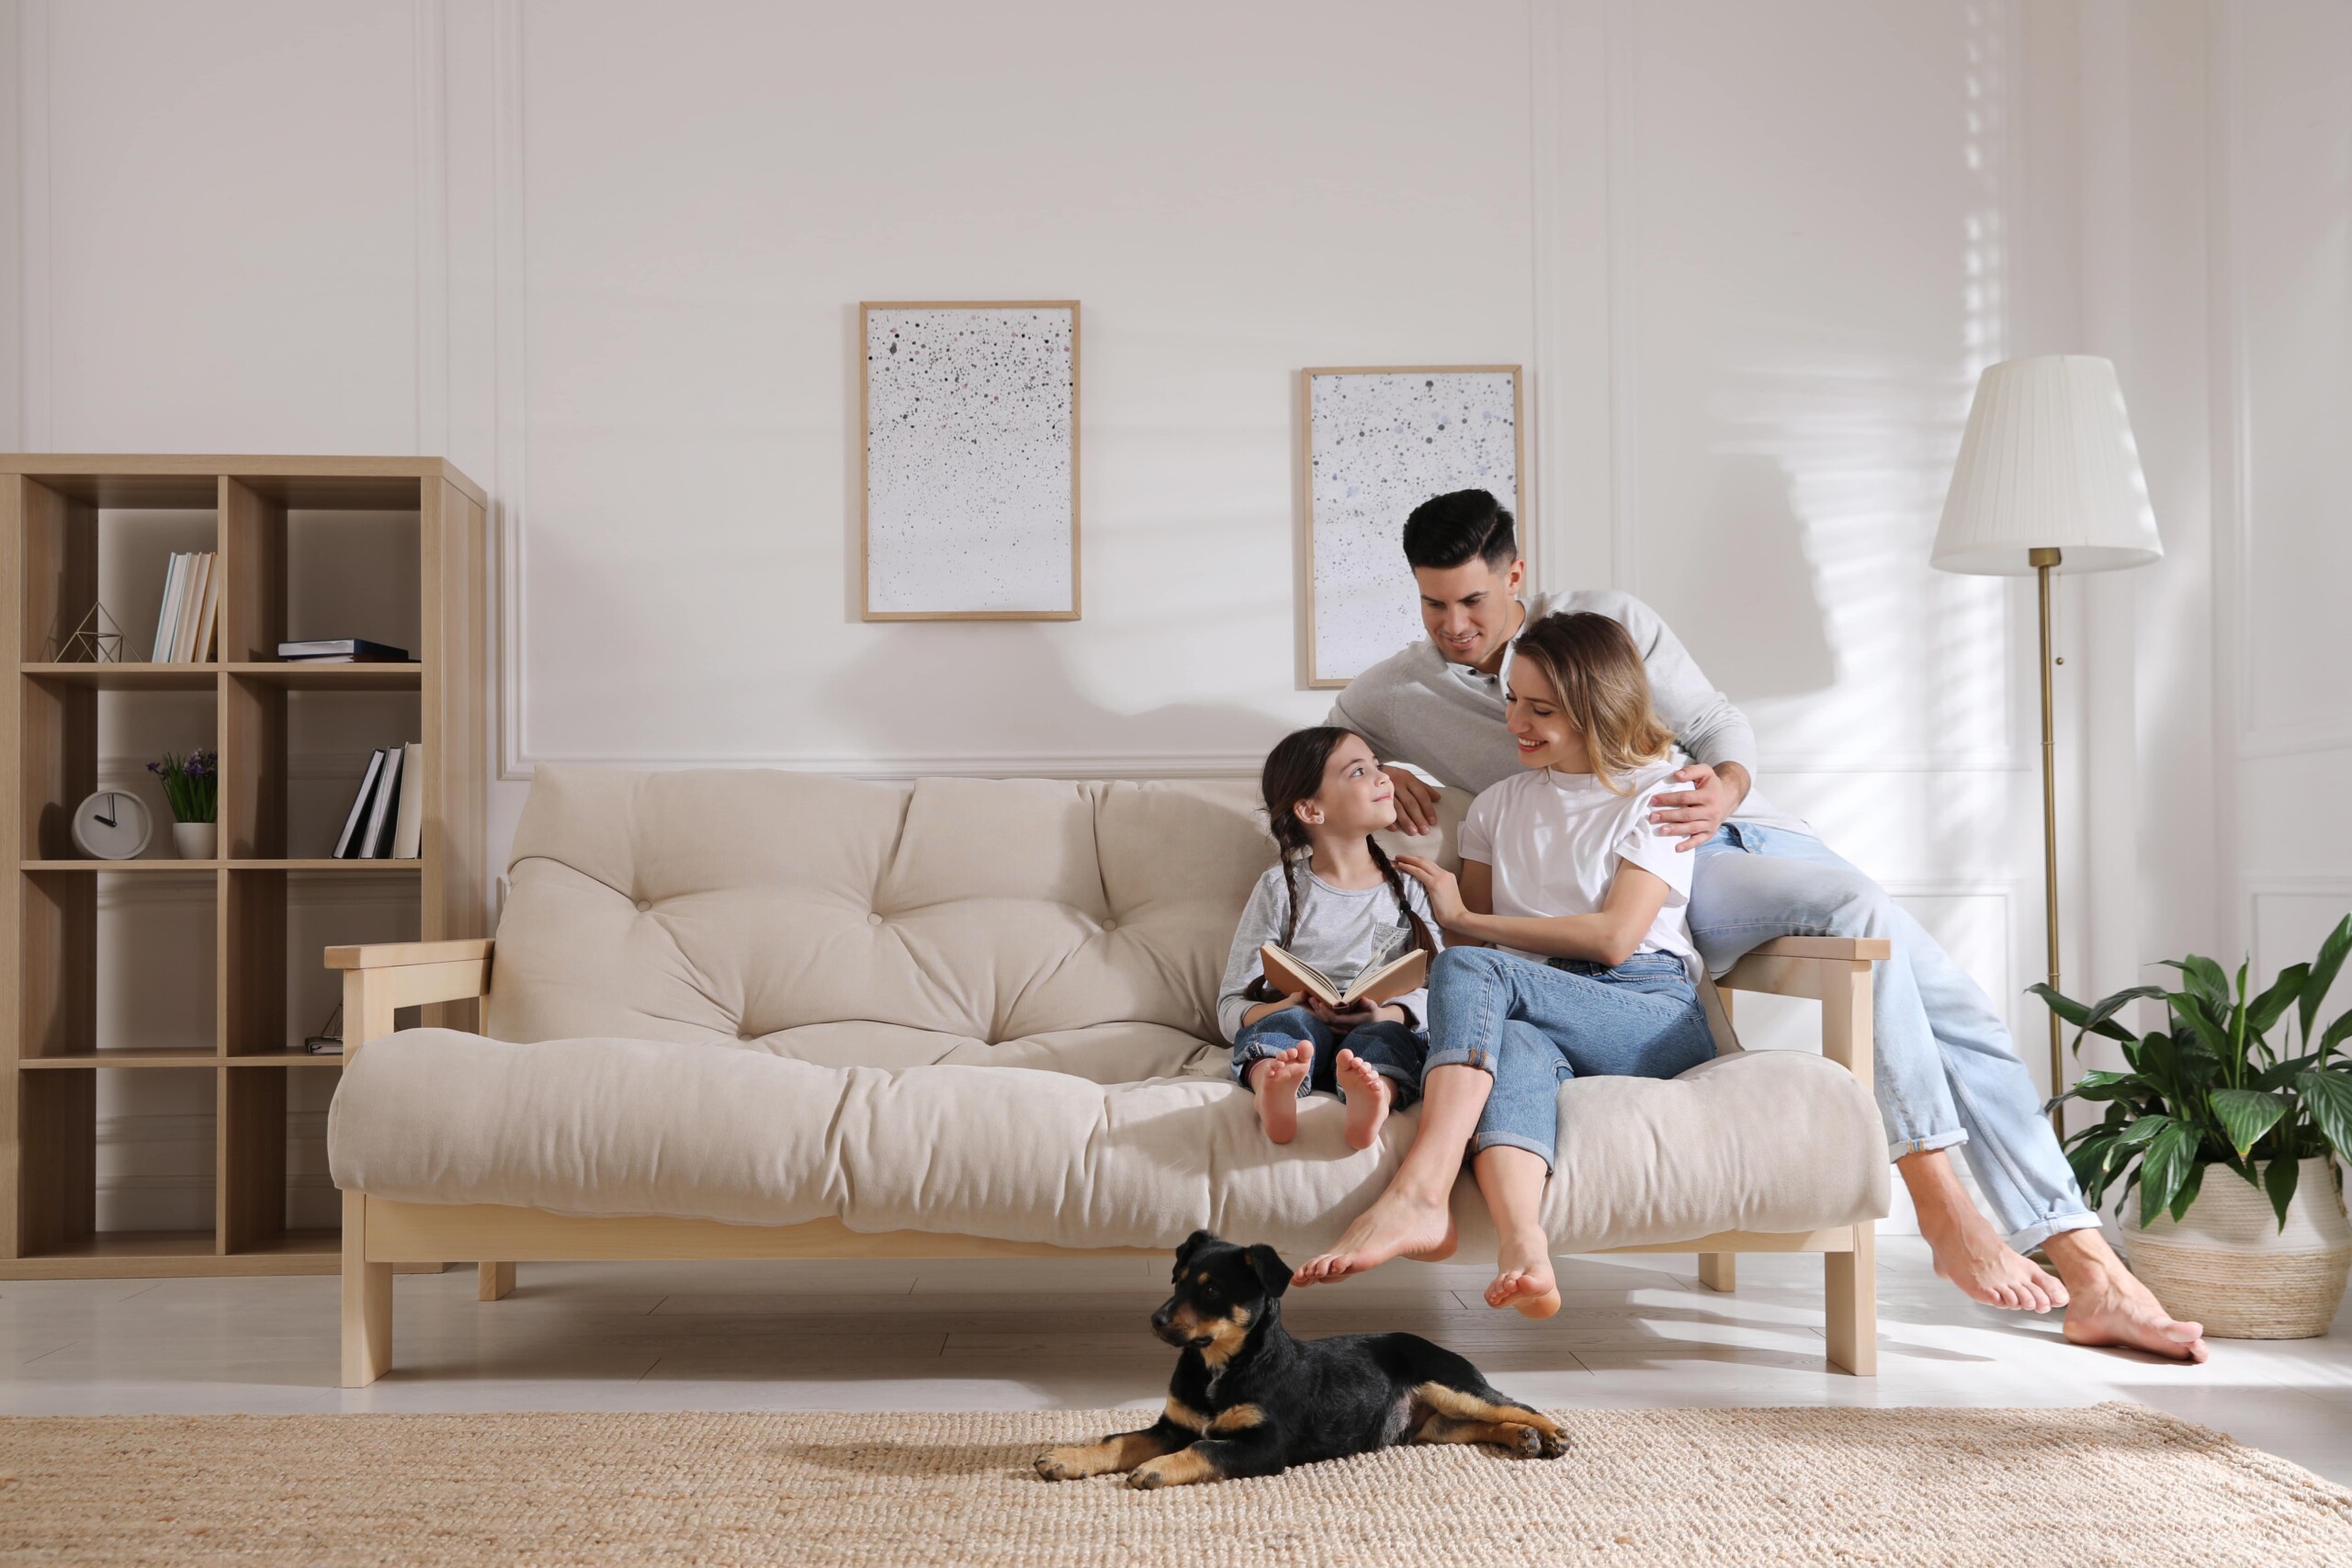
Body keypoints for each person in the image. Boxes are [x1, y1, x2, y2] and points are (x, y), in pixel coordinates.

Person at [1299, 488, 2206, 1363]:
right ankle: (2006, 1238)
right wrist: (1382, 766)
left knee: (1945, 999)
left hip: (1716, 839)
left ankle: (2048, 1250)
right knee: (1884, 945)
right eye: (1431, 605)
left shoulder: (1607, 622)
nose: (1454, 623)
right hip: (1622, 883)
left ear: (1514, 574)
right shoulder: (1402, 691)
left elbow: (1717, 726)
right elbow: (1328, 742)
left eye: (1471, 599)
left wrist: (1718, 791)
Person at [1385, 611, 1718, 1317]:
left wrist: (1465, 919)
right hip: (1541, 1005)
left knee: (1477, 975)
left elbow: (1614, 938)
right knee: (1518, 1043)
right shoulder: (1499, 807)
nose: (1516, 723)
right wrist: (1455, 932)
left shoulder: (1662, 794)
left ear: (1600, 708)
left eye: (1541, 709)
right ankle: (1524, 1246)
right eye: (1511, 699)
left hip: (1647, 1010)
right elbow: (1473, 958)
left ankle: (1421, 1189)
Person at [1217, 728, 1442, 1150]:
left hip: (1377, 1027)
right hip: (1300, 1031)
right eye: (1360, 771)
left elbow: (1444, 995)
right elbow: (1230, 1005)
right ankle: (1274, 1085)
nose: (1383, 778)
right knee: (1288, 1026)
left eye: (1378, 765)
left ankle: (1375, 1098)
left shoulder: (1408, 887)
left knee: (1389, 1043)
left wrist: (1386, 1016)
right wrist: (1285, 1005)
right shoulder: (1278, 888)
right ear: (1311, 810)